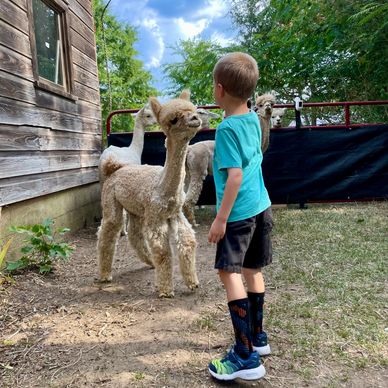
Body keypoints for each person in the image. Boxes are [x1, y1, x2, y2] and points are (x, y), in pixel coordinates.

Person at [207, 52, 273, 381]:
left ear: (220, 89)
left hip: (238, 215)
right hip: (261, 207)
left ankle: (245, 355)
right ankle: (258, 337)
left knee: (228, 273)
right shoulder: (253, 120)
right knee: (252, 269)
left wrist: (220, 219)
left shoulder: (226, 129)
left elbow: (233, 177)